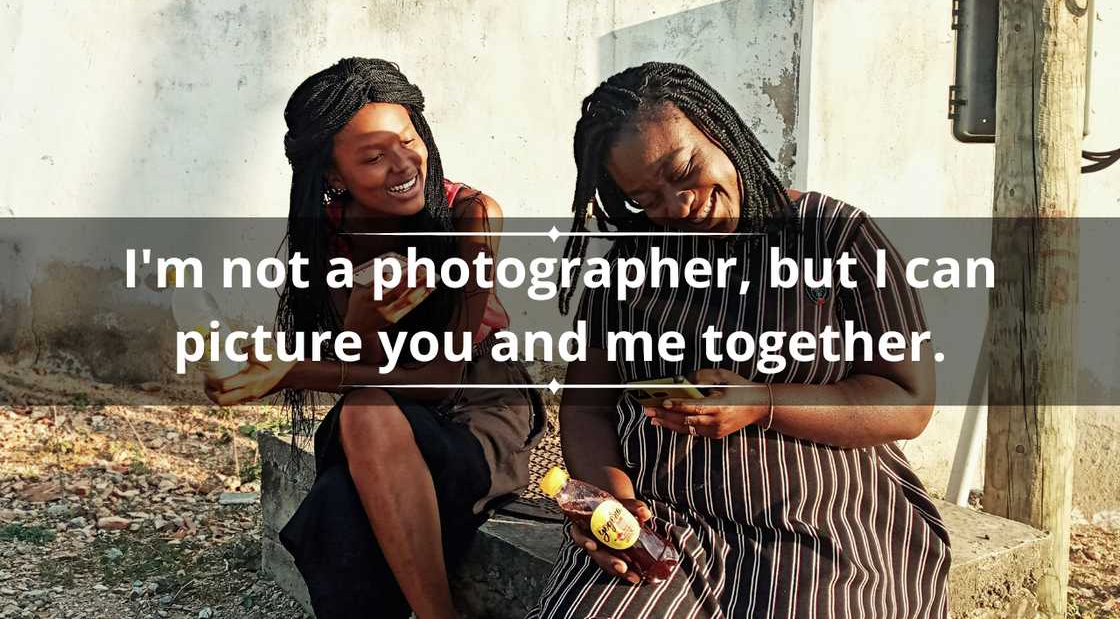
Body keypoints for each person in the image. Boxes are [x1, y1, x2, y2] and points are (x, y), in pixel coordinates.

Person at [528, 62, 950, 618]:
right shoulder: (630, 266)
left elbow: (908, 402)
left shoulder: (835, 237)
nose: (677, 207)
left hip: (822, 516)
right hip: (667, 519)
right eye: (647, 200)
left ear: (718, 129)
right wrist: (612, 503)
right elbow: (586, 408)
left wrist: (763, 403)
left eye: (683, 170)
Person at [205, 57, 545, 619]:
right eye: (373, 158)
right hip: (387, 417)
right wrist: (364, 321)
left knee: (338, 498)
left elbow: (441, 377)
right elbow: (363, 362)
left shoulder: (470, 216)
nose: (403, 165)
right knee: (352, 463)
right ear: (333, 176)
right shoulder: (331, 234)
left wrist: (294, 372)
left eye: (410, 141)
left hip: (480, 405)